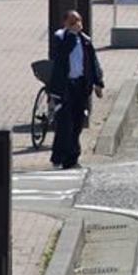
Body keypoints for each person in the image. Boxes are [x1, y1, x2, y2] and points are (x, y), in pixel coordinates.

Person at [48, 10, 104, 169]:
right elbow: (60, 55)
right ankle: (58, 157)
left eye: (79, 21)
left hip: (80, 86)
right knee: (65, 123)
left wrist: (98, 83)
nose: (77, 25)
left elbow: (92, 63)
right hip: (64, 87)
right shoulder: (61, 38)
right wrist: (71, 35)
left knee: (78, 122)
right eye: (72, 22)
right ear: (65, 23)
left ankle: (72, 158)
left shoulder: (85, 41)